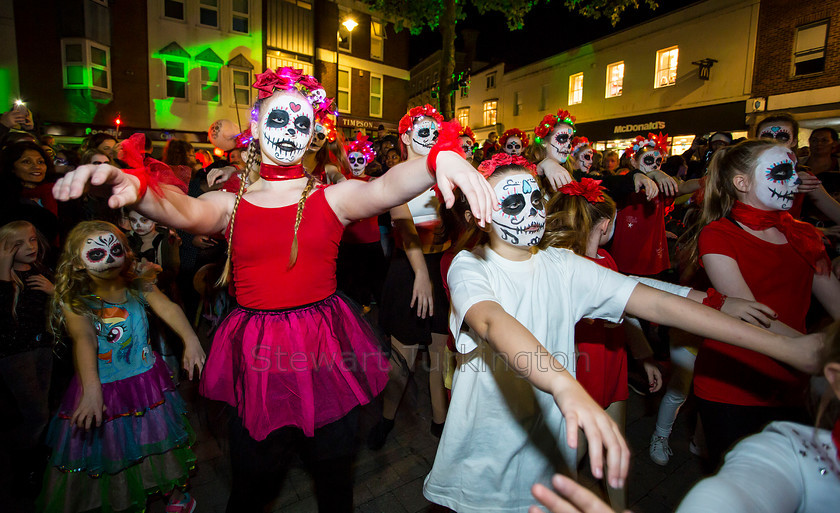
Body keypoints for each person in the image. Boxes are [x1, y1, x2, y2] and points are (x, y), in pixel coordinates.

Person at [52, 68, 494, 512]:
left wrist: (439, 159)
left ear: (313, 134)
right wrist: (139, 188)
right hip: (259, 357)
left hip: (323, 351)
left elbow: (384, 188)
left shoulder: (330, 198)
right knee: (250, 484)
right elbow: (184, 211)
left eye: (302, 123)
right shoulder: (231, 203)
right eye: (279, 120)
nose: (290, 132)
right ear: (257, 124)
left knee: (335, 482)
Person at [422, 157, 822, 513]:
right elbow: (492, 321)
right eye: (512, 202)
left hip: (548, 451)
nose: (529, 211)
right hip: (485, 455)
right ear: (481, 215)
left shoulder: (562, 265)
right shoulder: (470, 266)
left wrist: (775, 340)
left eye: (535, 199)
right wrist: (563, 385)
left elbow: (650, 301)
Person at [681, 139, 840, 467]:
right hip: (734, 385)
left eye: (794, 171)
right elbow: (750, 315)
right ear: (742, 183)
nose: (793, 180)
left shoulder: (802, 234)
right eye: (782, 172)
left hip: (794, 383)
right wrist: (822, 353)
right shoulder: (718, 235)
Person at [39, 221, 204, 513]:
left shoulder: (136, 283)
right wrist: (91, 390)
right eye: (95, 254)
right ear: (77, 263)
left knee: (158, 439)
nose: (108, 258)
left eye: (115, 249)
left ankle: (175, 493)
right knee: (112, 449)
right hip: (101, 388)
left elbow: (166, 307)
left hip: (145, 382)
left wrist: (190, 338)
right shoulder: (76, 298)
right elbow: (85, 338)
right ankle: (121, 496)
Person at [371, 104, 452, 449]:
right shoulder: (397, 176)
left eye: (436, 131)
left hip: (440, 268)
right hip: (409, 270)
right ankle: (387, 418)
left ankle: (441, 419)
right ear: (405, 136)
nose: (432, 137)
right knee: (402, 356)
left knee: (438, 351)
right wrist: (420, 273)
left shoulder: (443, 172)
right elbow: (404, 226)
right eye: (423, 131)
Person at [0, 221, 54, 494]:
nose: (30, 247)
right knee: (35, 413)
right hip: (15, 355)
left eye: (32, 240)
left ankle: (37, 457)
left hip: (43, 348)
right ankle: (23, 467)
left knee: (41, 406)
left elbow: (63, 305)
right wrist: (4, 272)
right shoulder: (5, 279)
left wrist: (52, 291)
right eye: (19, 243)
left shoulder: (40, 270)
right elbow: (4, 322)